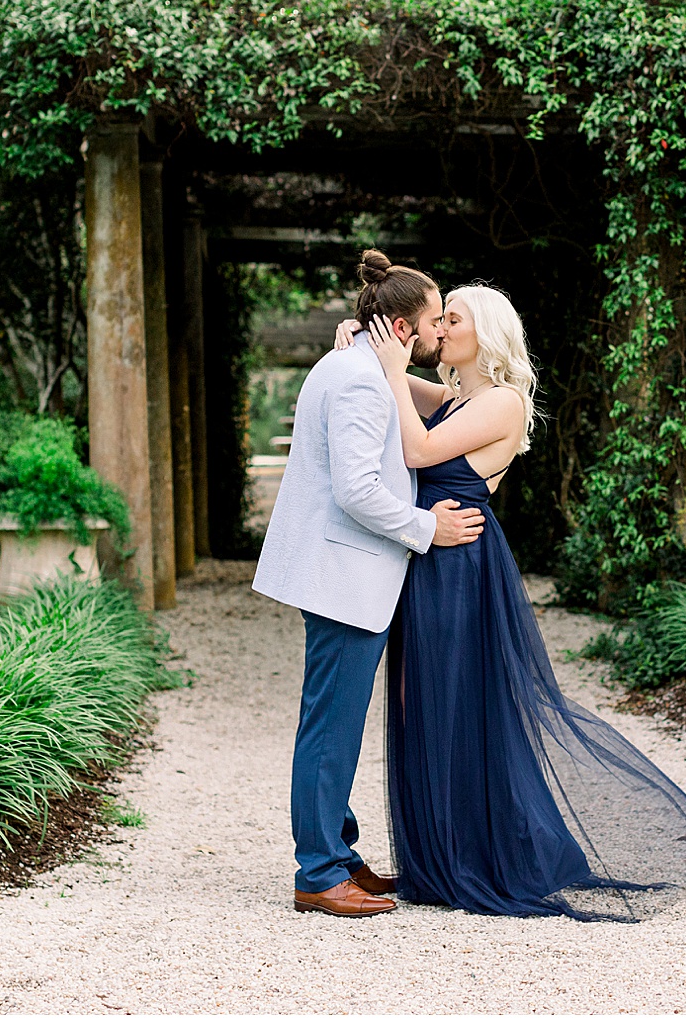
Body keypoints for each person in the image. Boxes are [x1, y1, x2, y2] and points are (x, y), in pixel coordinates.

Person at [337, 270, 686, 921]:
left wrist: (386, 366)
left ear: (487, 334)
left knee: (457, 702)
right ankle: (442, 851)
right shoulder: (453, 396)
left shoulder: (502, 401)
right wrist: (368, 346)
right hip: (429, 560)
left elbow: (415, 451)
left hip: (461, 566)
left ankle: (475, 853)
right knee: (426, 704)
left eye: (454, 320)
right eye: (439, 320)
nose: (440, 329)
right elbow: (394, 385)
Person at [251, 252, 485, 918]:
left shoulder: (358, 368)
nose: (443, 330)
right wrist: (425, 527)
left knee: (337, 724)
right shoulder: (357, 380)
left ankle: (338, 852)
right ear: (407, 327)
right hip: (345, 575)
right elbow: (357, 490)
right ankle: (318, 872)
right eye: (437, 319)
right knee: (329, 727)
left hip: (346, 574)